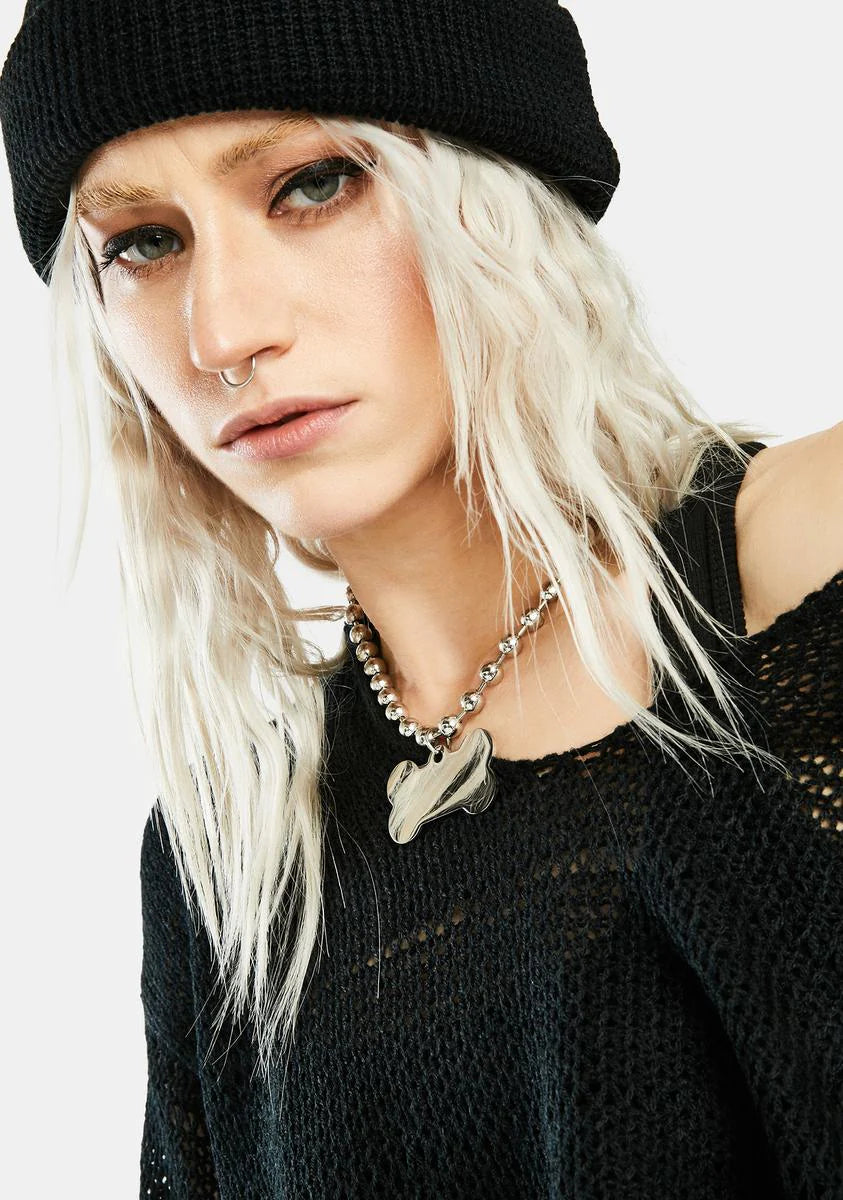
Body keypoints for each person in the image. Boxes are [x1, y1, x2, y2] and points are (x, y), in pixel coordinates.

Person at [2, 1, 840, 1196]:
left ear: (492, 193)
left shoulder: (808, 571)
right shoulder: (229, 859)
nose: (224, 333)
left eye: (313, 184)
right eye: (143, 243)